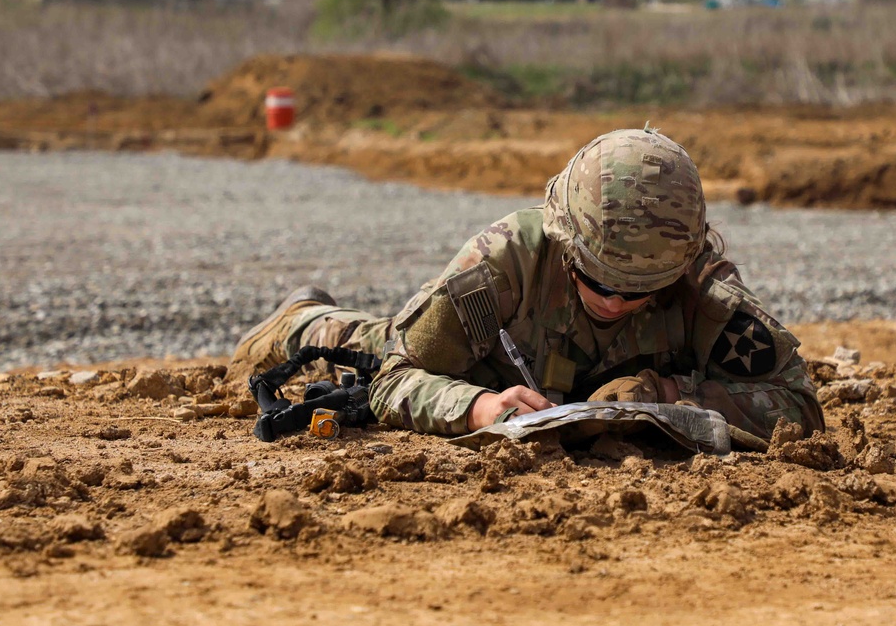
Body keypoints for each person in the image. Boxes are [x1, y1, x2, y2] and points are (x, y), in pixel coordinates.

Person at [229, 127, 824, 444]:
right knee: (370, 345)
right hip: (482, 371)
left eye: (638, 290)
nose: (615, 301)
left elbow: (798, 408)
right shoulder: (506, 260)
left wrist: (667, 396)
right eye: (598, 280)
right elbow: (397, 378)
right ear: (566, 242)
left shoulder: (704, 290)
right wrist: (478, 409)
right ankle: (300, 315)